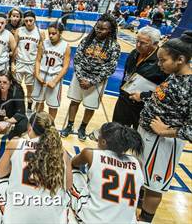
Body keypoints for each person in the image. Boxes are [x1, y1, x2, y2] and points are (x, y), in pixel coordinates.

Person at [130, 31, 191, 223]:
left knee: (154, 186)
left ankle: (145, 220)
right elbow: (163, 97)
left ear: (180, 59)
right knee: (141, 176)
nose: (159, 64)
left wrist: (165, 131)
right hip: (146, 134)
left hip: (163, 142)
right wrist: (145, 98)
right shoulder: (174, 75)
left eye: (163, 60)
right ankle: (134, 211)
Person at [0, 112, 72, 224]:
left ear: (30, 128)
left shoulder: (16, 143)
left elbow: (0, 173)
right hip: (50, 219)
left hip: (15, 218)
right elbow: (68, 186)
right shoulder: (62, 152)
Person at [61, 14, 121, 141]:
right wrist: (80, 77)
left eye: (103, 29)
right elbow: (76, 59)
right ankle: (69, 125)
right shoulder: (86, 40)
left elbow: (110, 68)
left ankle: (82, 127)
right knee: (74, 102)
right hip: (80, 78)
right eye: (97, 27)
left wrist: (92, 82)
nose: (99, 30)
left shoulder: (114, 46)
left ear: (110, 30)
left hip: (96, 83)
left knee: (90, 106)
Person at [70, 122, 144, 224]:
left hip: (93, 220)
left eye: (98, 136)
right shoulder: (137, 162)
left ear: (103, 142)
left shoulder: (90, 154)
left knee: (69, 170)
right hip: (128, 221)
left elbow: (73, 163)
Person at [112, 27, 167, 129]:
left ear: (155, 44)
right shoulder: (134, 53)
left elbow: (164, 90)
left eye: (143, 43)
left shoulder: (162, 61)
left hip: (144, 106)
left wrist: (144, 96)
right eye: (137, 41)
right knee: (116, 131)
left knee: (138, 137)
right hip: (124, 101)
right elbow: (126, 74)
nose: (138, 45)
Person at [32, 23, 71, 121]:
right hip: (41, 74)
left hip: (54, 77)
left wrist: (55, 81)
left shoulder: (65, 46)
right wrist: (37, 74)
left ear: (60, 33)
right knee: (39, 102)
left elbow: (65, 67)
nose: (50, 36)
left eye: (54, 33)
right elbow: (37, 60)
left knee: (53, 105)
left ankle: (50, 124)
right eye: (49, 33)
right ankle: (39, 122)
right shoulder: (43, 43)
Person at [12, 10, 42, 112]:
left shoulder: (40, 33)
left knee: (30, 88)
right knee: (17, 87)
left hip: (32, 64)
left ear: (35, 20)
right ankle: (17, 106)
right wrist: (13, 63)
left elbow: (41, 52)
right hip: (20, 62)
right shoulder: (19, 31)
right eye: (26, 21)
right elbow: (14, 48)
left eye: (31, 21)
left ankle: (29, 107)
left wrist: (37, 68)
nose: (28, 23)